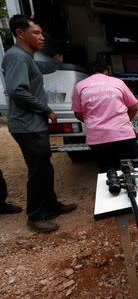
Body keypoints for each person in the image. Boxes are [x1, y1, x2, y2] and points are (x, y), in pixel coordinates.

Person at [2, 15, 77, 233]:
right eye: (36, 33)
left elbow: (40, 68)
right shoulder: (16, 57)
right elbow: (17, 90)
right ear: (20, 33)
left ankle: (51, 205)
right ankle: (35, 215)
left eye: (41, 32)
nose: (41, 37)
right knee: (38, 170)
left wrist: (55, 63)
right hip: (27, 125)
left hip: (33, 124)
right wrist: (47, 110)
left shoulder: (25, 57)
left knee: (45, 166)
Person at [72, 60, 138, 172]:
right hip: (123, 135)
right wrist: (125, 122)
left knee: (108, 172)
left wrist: (93, 124)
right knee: (132, 170)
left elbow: (78, 113)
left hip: (98, 139)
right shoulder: (117, 82)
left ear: (88, 73)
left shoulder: (80, 86)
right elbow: (134, 107)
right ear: (106, 72)